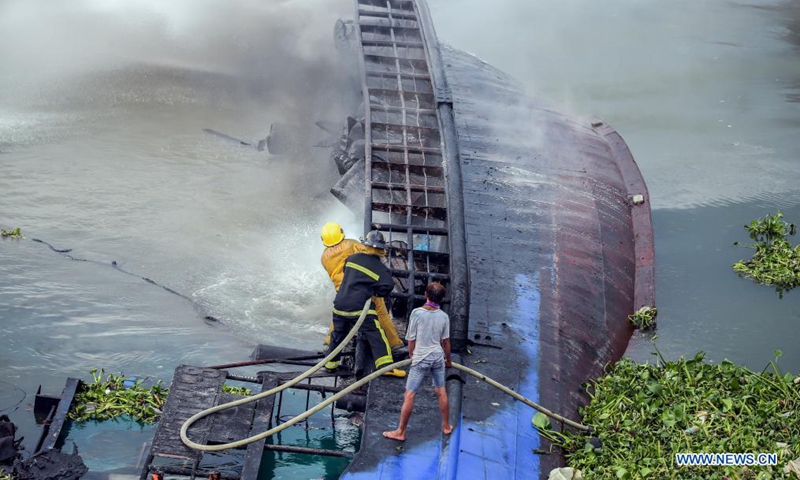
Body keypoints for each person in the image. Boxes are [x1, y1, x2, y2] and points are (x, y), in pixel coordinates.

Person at [383, 282, 453, 441]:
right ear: (442, 299)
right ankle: (446, 426)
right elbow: (446, 342)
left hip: (421, 358)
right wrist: (448, 360)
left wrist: (411, 355)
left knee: (409, 395)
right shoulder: (444, 316)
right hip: (437, 357)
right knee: (441, 391)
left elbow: (411, 339)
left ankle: (401, 432)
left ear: (426, 295)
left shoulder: (416, 313)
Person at [324, 230, 399, 379]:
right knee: (375, 334)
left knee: (338, 335)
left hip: (339, 306)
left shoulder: (351, 259)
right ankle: (385, 367)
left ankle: (330, 364)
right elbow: (388, 286)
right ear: (382, 249)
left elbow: (347, 273)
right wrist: (375, 291)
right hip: (359, 309)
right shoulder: (380, 268)